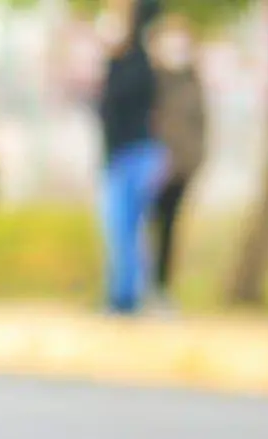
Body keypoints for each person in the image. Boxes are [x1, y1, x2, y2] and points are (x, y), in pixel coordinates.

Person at [97, 0, 166, 315]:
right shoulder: (117, 63)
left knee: (132, 231)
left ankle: (133, 297)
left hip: (138, 154)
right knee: (118, 231)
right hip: (118, 155)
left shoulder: (139, 62)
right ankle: (121, 296)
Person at [148, 11, 205, 308]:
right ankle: (138, 288)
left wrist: (193, 161)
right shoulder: (153, 80)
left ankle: (161, 288)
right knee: (144, 229)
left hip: (182, 168)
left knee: (169, 230)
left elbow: (201, 126)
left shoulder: (192, 80)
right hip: (153, 167)